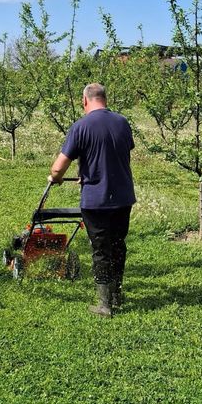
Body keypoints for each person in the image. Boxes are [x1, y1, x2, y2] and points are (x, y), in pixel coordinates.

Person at [49, 83, 135, 317]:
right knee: (118, 244)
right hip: (123, 197)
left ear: (85, 101)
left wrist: (55, 178)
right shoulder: (123, 123)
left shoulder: (80, 126)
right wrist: (87, 172)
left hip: (96, 200)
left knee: (100, 249)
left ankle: (104, 304)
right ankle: (117, 294)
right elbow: (114, 155)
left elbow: (58, 168)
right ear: (105, 99)